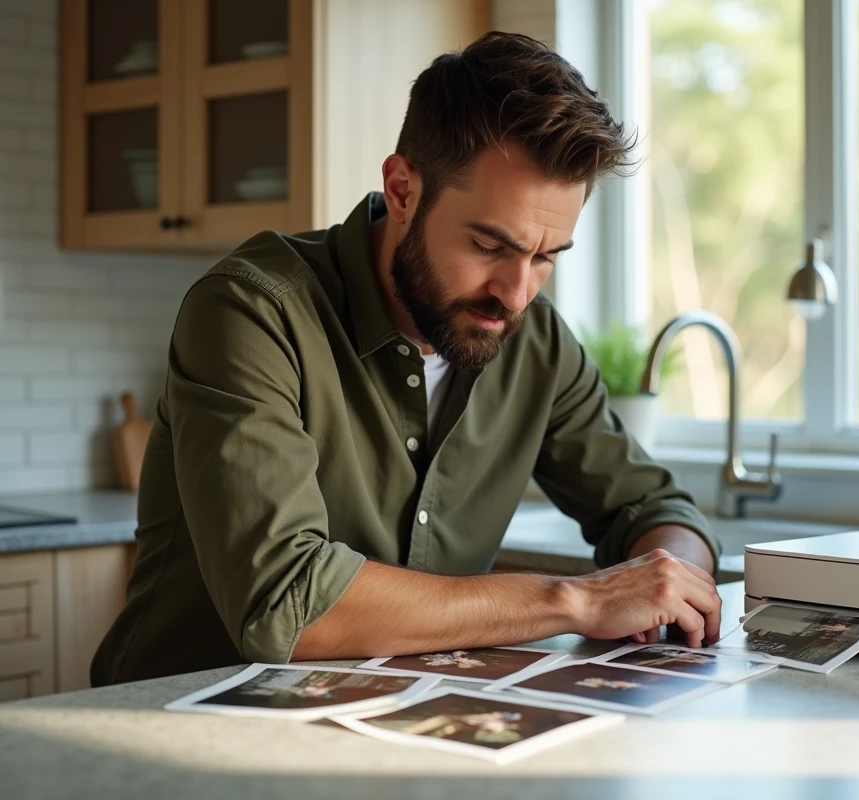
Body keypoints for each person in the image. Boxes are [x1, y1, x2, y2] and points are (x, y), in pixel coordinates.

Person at [90, 31, 722, 687]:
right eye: (488, 244)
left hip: (397, 728)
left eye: (545, 257)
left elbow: (654, 510)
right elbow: (288, 605)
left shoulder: (535, 342)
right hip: (180, 727)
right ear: (401, 190)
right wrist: (578, 599)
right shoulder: (252, 313)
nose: (515, 293)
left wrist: (666, 577)